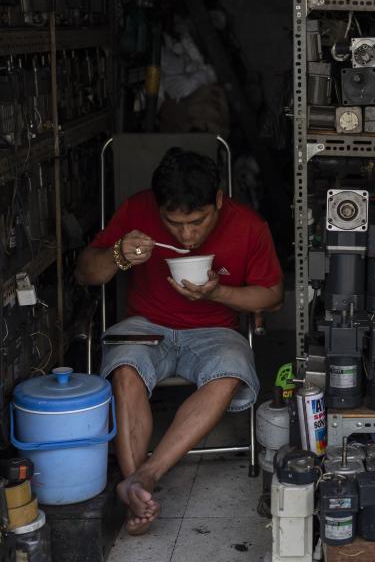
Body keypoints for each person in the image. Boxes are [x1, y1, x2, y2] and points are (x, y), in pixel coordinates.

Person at [75, 147, 283, 535]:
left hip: (215, 330)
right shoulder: (138, 210)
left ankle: (145, 477)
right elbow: (85, 273)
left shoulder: (249, 225)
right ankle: (134, 486)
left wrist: (218, 294)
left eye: (198, 222)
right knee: (124, 369)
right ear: (158, 208)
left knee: (231, 371)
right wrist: (119, 255)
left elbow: (272, 296)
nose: (186, 235)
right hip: (145, 326)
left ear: (219, 201)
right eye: (174, 223)